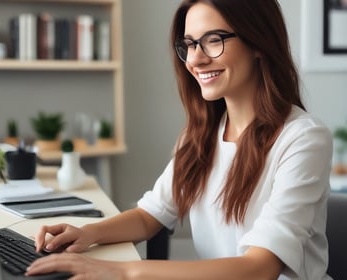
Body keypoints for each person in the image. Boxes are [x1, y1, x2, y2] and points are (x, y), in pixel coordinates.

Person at [26, 0, 333, 279]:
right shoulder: (199, 136)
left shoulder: (303, 139)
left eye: (214, 40)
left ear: (259, 43)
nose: (195, 60)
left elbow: (259, 268)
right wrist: (87, 233)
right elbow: (151, 215)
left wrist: (122, 272)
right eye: (189, 45)